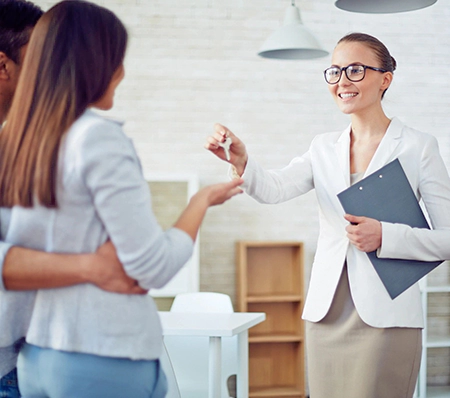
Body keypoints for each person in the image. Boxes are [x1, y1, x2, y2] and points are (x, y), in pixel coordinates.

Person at [0, 1, 243, 397]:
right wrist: (201, 202)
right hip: (102, 355)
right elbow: (151, 267)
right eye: (119, 58)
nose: (124, 71)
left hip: (36, 358)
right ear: (98, 63)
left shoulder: (17, 144)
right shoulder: (96, 137)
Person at [206, 32, 450, 398]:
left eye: (355, 70)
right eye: (334, 72)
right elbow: (274, 189)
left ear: (386, 79)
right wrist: (242, 162)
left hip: (387, 316)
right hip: (327, 312)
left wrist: (386, 236)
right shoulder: (322, 147)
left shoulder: (418, 146)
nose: (342, 82)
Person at [0, 1, 146, 397]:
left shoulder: (25, 145)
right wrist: (92, 267)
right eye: (40, 58)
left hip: (31, 355)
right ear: (2, 65)